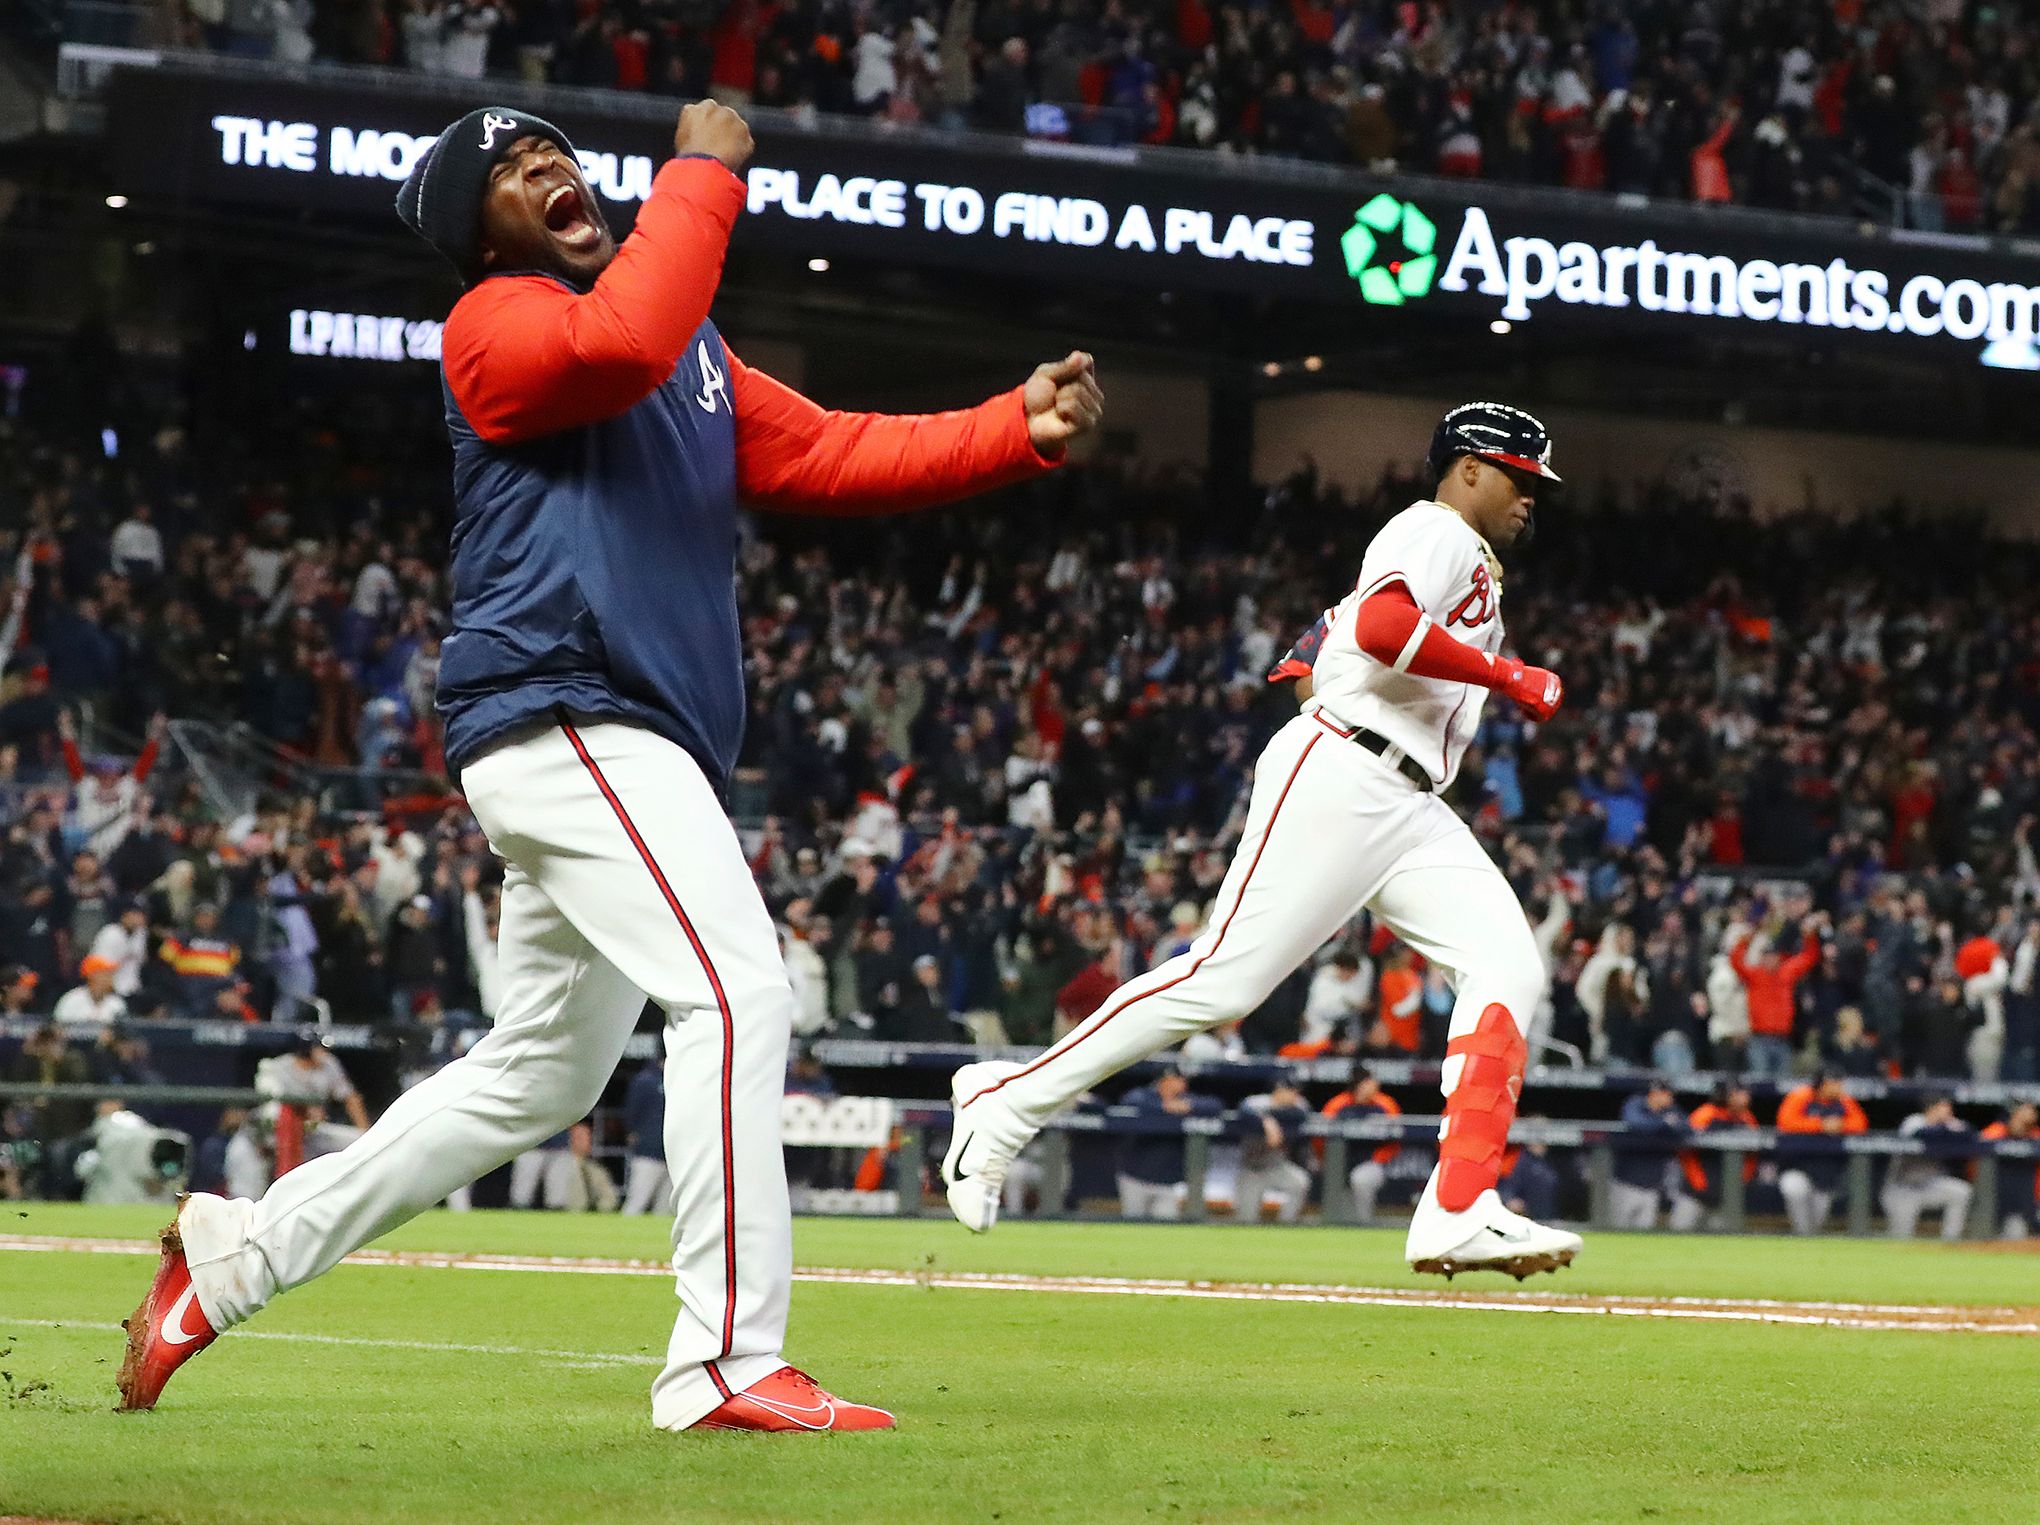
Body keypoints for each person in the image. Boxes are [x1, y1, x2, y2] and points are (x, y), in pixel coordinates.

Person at [120, 99, 1104, 1433]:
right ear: (484, 235)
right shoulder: (499, 321)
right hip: (569, 712)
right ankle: (724, 1361)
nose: (554, 172)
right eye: (519, 173)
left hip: (610, 734)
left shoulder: (680, 344)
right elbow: (623, 334)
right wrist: (705, 171)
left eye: (561, 157)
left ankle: (240, 1251)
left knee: (540, 1074)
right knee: (740, 991)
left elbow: (820, 449)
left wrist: (1011, 430)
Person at [945, 404, 1581, 1280]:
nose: (1530, 496)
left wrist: (1323, 659)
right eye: (1519, 475)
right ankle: (1003, 1099)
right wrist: (1506, 673)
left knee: (1510, 963)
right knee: (1221, 981)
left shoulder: (1459, 557)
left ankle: (1460, 1204)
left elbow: (1317, 650)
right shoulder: (1435, 528)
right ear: (1469, 467)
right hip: (1349, 767)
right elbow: (1384, 628)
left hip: (1408, 800)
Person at [1115, 1068, 1219, 1220]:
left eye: (1183, 1079)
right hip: (1135, 1179)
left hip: (1167, 1183)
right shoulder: (1144, 1096)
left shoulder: (1186, 1100)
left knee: (1165, 1228)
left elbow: (1215, 1105)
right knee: (1132, 1227)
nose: (1182, 1083)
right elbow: (1129, 1100)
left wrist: (1189, 1106)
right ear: (1164, 1081)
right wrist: (1164, 1107)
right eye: (1177, 1079)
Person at [1775, 1071, 1868, 1235]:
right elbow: (1786, 1121)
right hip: (1797, 1167)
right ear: (1822, 1084)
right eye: (1835, 1083)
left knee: (1818, 1219)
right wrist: (1820, 1125)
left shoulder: (1843, 1100)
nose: (1839, 1087)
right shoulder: (1801, 1096)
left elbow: (1860, 1124)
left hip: (1826, 1172)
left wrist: (1841, 1125)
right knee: (1794, 1188)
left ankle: (1809, 1240)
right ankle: (1801, 1236)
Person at [1880, 1096, 1975, 1241]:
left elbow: (1970, 1133)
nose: (1949, 1112)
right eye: (1944, 1107)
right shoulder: (1914, 1121)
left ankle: (1950, 1242)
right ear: (1932, 1108)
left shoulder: (1948, 1124)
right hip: (1902, 1189)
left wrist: (1949, 1127)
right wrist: (1947, 1129)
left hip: (1929, 1185)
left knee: (1961, 1192)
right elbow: (1922, 1134)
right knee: (1900, 1239)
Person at [1671, 1079, 1757, 1232]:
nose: (1744, 1097)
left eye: (1744, 1093)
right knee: (1678, 1234)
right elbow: (1686, 1152)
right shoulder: (1705, 1114)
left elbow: (1751, 1157)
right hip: (1694, 1195)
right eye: (1737, 1093)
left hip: (1725, 1197)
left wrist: (1740, 1183)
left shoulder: (1747, 1118)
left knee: (1721, 1242)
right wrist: (1697, 1181)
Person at [1320, 1066, 1401, 1224]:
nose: (1376, 1084)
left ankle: (1364, 1225)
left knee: (1361, 1179)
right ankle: (1335, 1225)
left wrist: (1379, 1159)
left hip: (1372, 1162)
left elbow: (1396, 1138)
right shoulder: (1337, 1104)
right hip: (1341, 1161)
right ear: (1360, 1084)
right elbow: (1320, 1138)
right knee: (1337, 1182)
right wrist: (1327, 1160)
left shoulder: (1385, 1104)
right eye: (1371, 1081)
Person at [1610, 1078, 1687, 1230]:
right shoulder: (1635, 1104)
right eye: (1665, 1094)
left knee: (1644, 1236)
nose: (1669, 1098)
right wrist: (1664, 1124)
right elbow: (1636, 1124)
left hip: (1652, 1188)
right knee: (1615, 1232)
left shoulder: (1670, 1110)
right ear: (1654, 1094)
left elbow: (1687, 1129)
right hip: (1626, 1185)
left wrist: (1662, 1124)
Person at [1232, 1079, 1313, 1223]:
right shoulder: (1257, 1103)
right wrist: (1266, 1122)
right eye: (1291, 1091)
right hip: (1252, 1169)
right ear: (1279, 1090)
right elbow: (1243, 1111)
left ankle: (1285, 1225)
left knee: (1300, 1182)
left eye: (1296, 1092)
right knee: (1245, 1221)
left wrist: (1271, 1119)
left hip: (1276, 1166)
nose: (1295, 1095)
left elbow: (1302, 1113)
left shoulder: (1298, 1105)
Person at [620, 1058, 671, 1216]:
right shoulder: (646, 1079)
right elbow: (631, 1113)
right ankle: (621, 1238)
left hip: (674, 1154)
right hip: (648, 1152)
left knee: (666, 1209)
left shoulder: (683, 1078)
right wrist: (634, 1133)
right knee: (637, 1203)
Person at [1980, 1102, 2039, 1239]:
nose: (2033, 1113)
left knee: (2016, 1233)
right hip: (1995, 1200)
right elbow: (1981, 1143)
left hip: (2029, 1201)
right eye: (2027, 1109)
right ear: (2015, 1112)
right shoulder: (1997, 1130)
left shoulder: (2036, 1134)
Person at [52, 955, 128, 1028]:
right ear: (92, 976)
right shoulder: (72, 1000)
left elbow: (122, 1033)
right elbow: (58, 1029)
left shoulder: (116, 1003)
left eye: (110, 974)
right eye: (105, 974)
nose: (110, 979)